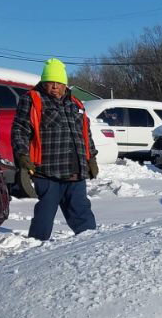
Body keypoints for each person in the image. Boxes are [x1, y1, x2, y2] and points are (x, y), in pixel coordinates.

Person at [12, 58, 99, 240]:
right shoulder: (33, 100)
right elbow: (20, 130)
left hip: (75, 171)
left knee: (82, 213)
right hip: (47, 170)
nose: (55, 87)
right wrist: (22, 156)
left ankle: (91, 247)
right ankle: (35, 248)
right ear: (43, 82)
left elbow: (85, 134)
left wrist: (91, 158)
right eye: (50, 82)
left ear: (65, 84)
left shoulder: (76, 104)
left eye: (59, 83)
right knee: (45, 213)